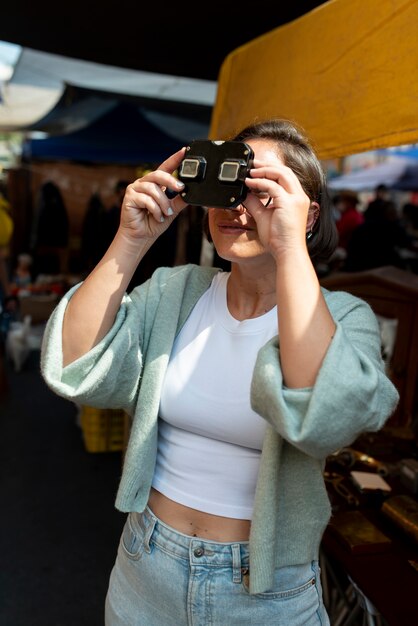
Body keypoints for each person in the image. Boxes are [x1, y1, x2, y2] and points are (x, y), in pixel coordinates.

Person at [41, 119, 399, 626]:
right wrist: (130, 240)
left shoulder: (343, 317)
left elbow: (327, 419)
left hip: (265, 591)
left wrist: (290, 245)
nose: (236, 205)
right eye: (228, 184)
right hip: (146, 567)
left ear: (309, 212)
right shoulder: (175, 292)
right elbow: (76, 364)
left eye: (260, 190)